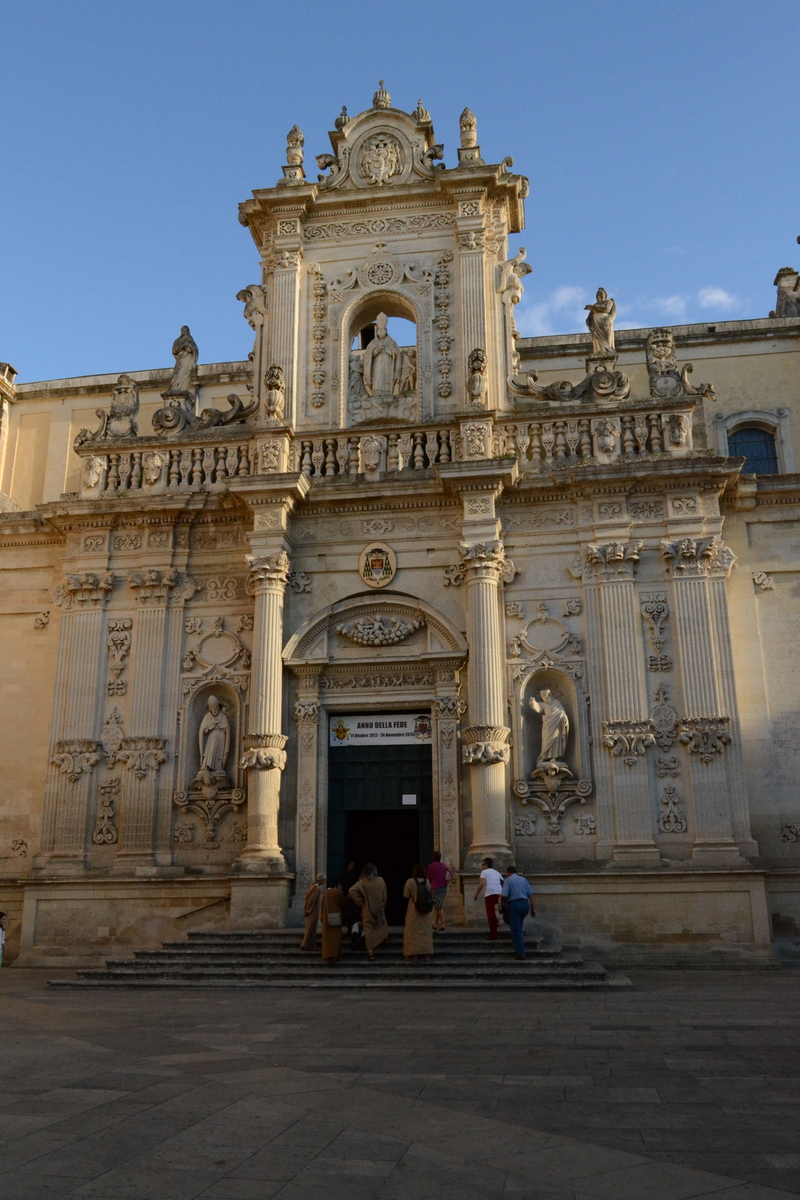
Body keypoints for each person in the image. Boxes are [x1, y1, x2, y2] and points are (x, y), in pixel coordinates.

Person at [349, 863, 389, 962]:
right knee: (382, 925)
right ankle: (384, 940)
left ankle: (371, 953)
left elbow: (351, 890)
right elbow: (384, 895)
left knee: (368, 930)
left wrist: (361, 901)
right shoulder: (381, 880)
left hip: (367, 909)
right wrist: (382, 904)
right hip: (379, 908)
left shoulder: (362, 882)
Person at [501, 865, 535, 961]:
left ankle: (521, 953)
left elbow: (504, 895)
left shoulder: (508, 880)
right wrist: (533, 908)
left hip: (515, 904)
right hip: (525, 904)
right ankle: (519, 944)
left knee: (516, 930)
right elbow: (531, 894)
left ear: (508, 873)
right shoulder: (523, 880)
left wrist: (501, 899)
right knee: (519, 925)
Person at [403, 864, 434, 962]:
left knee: (412, 932)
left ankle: (414, 954)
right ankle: (426, 954)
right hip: (425, 911)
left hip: (414, 909)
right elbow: (430, 893)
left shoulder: (410, 882)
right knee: (425, 933)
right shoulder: (427, 881)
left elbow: (406, 895)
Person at [473, 856, 505, 940]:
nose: (482, 866)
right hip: (499, 893)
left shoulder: (484, 872)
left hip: (490, 893)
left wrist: (476, 894)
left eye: (483, 865)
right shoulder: (497, 872)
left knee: (490, 914)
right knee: (494, 913)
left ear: (486, 865)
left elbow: (482, 884)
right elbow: (502, 882)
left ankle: (494, 934)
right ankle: (496, 922)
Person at [321, 881, 346, 965]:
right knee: (335, 937)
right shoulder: (337, 892)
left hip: (326, 917)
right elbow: (344, 902)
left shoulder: (325, 893)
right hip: (336, 917)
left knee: (327, 938)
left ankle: (327, 955)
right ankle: (335, 956)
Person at [426, 851, 452, 932]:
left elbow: (429, 877)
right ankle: (435, 924)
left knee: (439, 906)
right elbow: (450, 874)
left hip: (435, 887)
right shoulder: (444, 865)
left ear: (433, 858)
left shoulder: (431, 866)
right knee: (438, 905)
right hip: (444, 887)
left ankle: (442, 924)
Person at [300, 873, 325, 952]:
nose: (325, 881)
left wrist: (306, 908)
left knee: (309, 927)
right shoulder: (317, 888)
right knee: (312, 928)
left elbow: (307, 898)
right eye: (324, 879)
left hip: (311, 910)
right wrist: (309, 910)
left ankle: (307, 944)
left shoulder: (312, 887)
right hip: (314, 910)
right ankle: (308, 945)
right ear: (321, 880)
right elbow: (312, 900)